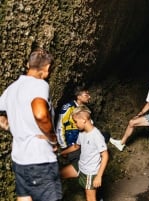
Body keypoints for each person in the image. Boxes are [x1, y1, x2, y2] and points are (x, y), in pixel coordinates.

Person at [0, 48, 62, 201]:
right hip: (39, 159)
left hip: (19, 160)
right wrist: (53, 139)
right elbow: (40, 114)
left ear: (28, 64)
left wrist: (11, 126)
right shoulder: (39, 84)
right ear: (47, 68)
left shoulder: (12, 88)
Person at [59, 105, 109, 201]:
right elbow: (76, 146)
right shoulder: (82, 133)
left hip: (90, 172)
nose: (75, 125)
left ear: (83, 120)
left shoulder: (96, 135)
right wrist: (61, 153)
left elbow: (105, 155)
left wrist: (99, 176)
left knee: (90, 199)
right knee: (59, 174)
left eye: (76, 122)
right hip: (80, 166)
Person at [56, 87, 91, 162]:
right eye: (86, 95)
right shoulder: (69, 107)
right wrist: (63, 146)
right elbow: (60, 126)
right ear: (79, 97)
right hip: (72, 140)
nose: (89, 97)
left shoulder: (85, 109)